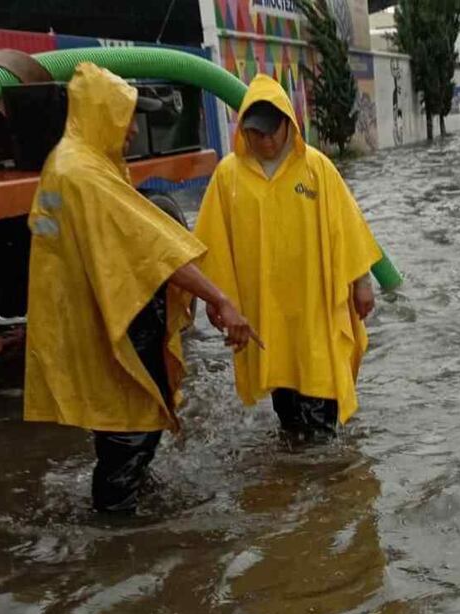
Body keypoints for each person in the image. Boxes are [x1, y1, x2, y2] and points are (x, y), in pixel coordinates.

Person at [24, 63, 260, 514]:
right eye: (127, 115)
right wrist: (220, 299)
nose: (133, 128)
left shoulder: (69, 162)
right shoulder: (84, 175)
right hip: (104, 320)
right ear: (102, 112)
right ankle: (118, 534)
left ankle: (130, 504)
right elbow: (156, 249)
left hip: (88, 314)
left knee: (126, 422)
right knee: (131, 422)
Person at [194, 74, 382, 439]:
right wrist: (215, 300)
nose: (265, 142)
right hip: (267, 318)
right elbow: (212, 243)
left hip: (315, 313)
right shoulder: (228, 177)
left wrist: (362, 283)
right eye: (256, 133)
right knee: (288, 410)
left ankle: (323, 469)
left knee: (320, 413)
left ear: (288, 124)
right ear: (244, 129)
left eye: (272, 132)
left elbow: (349, 230)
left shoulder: (316, 169)